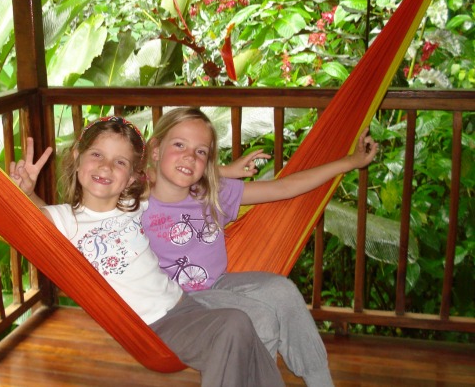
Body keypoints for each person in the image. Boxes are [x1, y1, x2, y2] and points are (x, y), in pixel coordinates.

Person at [0, 89, 284, 387]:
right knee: (233, 327)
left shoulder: (135, 205)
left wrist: (224, 170)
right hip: (152, 328)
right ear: (77, 162)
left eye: (120, 162)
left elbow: (175, 173)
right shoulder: (62, 221)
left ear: (132, 177)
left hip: (185, 304)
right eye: (97, 155)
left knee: (245, 327)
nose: (106, 167)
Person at [142, 107, 379, 387]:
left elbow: (283, 188)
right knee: (260, 319)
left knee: (283, 291)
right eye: (179, 144)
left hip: (218, 286)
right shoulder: (136, 199)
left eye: (201, 152)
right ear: (155, 150)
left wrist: (348, 162)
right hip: (178, 304)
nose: (189, 156)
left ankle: (320, 381)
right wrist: (225, 169)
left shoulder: (213, 193)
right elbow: (111, 170)